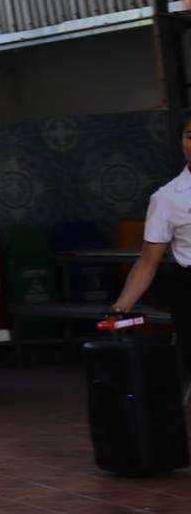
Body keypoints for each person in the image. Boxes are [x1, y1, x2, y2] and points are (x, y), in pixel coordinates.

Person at [106, 109, 191, 381]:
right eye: (190, 135)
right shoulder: (167, 198)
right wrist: (120, 308)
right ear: (181, 141)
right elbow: (147, 262)